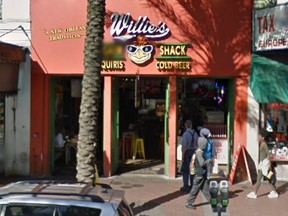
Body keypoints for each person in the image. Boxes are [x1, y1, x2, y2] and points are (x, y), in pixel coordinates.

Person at [246, 128, 278, 199]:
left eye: (259, 136)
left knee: (268, 179)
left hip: (265, 164)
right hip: (262, 164)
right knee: (261, 178)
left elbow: (268, 154)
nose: (258, 137)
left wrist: (268, 164)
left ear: (262, 137)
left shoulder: (264, 144)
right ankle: (255, 192)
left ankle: (273, 192)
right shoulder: (261, 143)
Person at [185, 137, 211, 209]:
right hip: (199, 174)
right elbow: (202, 163)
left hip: (202, 173)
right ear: (203, 145)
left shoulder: (198, 152)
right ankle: (188, 203)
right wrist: (209, 161)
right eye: (205, 144)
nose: (206, 146)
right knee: (195, 189)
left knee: (205, 189)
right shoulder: (199, 153)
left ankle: (211, 201)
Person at [180, 120, 198, 192]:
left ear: (185, 125)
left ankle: (186, 185)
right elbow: (197, 144)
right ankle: (193, 185)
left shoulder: (185, 134)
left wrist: (182, 156)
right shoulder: (195, 134)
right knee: (192, 170)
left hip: (187, 153)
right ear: (191, 125)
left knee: (185, 170)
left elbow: (184, 147)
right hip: (194, 152)